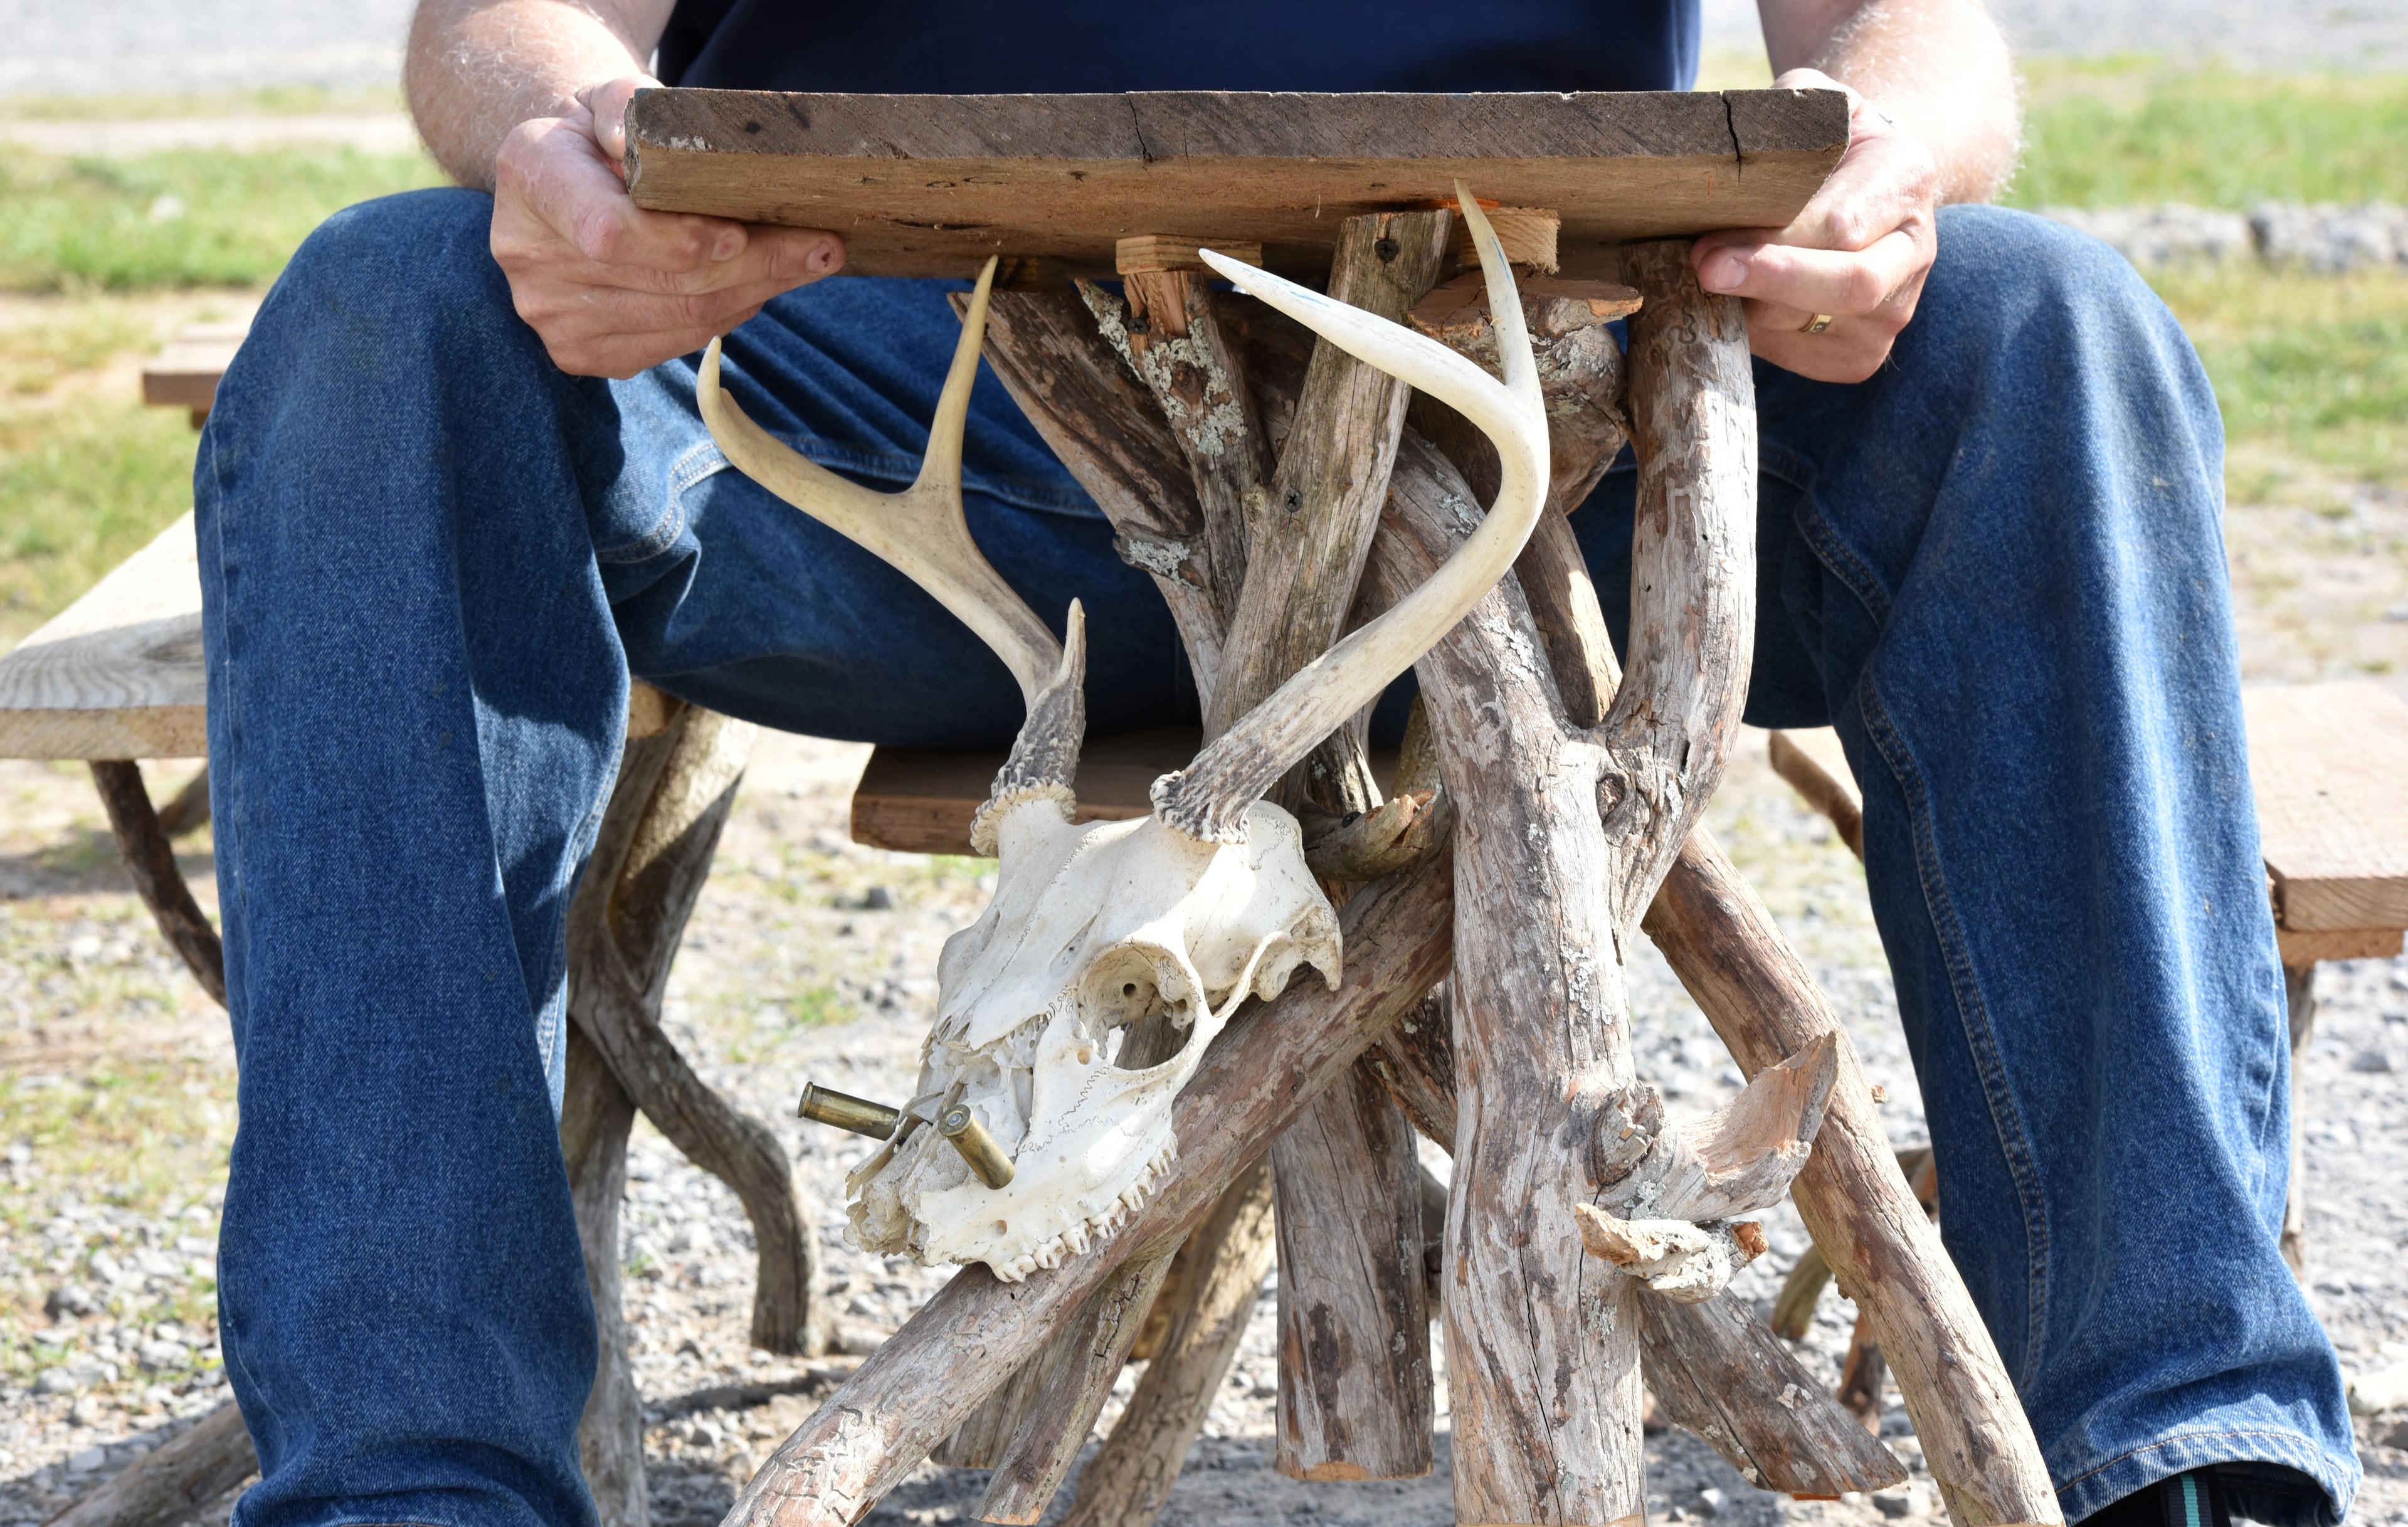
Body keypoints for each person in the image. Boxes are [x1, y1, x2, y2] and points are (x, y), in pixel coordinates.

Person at [194, 1, 2358, 1525]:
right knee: (385, 313)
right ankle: (408, 1477)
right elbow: (500, 19)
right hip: (882, 432)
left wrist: (1882, 162)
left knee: (2049, 331)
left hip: (1522, 431)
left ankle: (2191, 1449)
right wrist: (570, 136)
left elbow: (1911, 28)